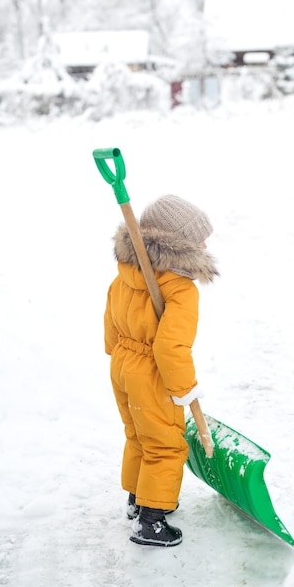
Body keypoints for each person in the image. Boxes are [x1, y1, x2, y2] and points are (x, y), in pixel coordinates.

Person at [104, 194, 219, 547]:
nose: (204, 244)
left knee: (139, 436)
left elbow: (110, 319)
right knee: (166, 443)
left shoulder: (127, 273)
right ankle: (150, 522)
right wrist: (184, 388)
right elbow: (171, 347)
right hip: (152, 372)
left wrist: (118, 355)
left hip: (123, 366)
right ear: (177, 244)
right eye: (198, 239)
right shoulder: (181, 289)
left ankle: (137, 500)